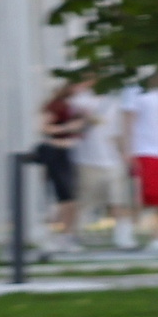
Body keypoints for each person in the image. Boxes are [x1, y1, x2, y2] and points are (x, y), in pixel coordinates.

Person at [66, 76, 131, 248]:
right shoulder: (78, 101)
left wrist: (124, 153)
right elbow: (70, 125)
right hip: (86, 159)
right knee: (84, 201)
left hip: (112, 159)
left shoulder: (113, 101)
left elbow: (118, 132)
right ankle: (73, 236)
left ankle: (123, 238)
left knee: (119, 199)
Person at [119, 74, 158, 251]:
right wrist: (127, 151)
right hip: (145, 150)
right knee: (143, 196)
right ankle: (126, 233)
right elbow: (127, 122)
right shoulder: (134, 90)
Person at [33, 76, 83, 253]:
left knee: (70, 198)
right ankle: (53, 233)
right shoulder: (56, 106)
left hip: (69, 152)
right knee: (63, 197)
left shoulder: (74, 107)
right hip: (56, 152)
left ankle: (67, 235)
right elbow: (43, 127)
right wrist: (68, 128)